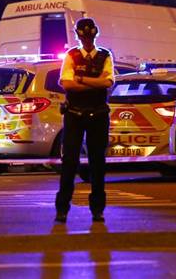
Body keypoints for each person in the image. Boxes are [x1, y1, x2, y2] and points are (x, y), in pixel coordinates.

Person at [55, 18, 114, 223]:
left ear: (95, 36)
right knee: (69, 162)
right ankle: (62, 209)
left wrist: (80, 79)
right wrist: (94, 83)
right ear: (79, 36)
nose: (87, 41)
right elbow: (66, 84)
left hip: (98, 114)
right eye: (83, 37)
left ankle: (97, 209)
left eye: (89, 37)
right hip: (75, 114)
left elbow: (107, 82)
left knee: (98, 163)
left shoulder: (105, 55)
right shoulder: (71, 55)